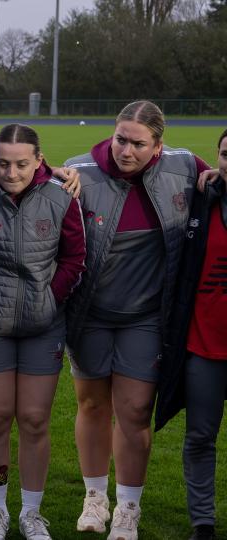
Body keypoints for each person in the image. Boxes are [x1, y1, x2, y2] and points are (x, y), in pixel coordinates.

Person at [65, 100, 208, 540]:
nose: (126, 150)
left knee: (135, 411)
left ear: (158, 146)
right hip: (89, 314)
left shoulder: (183, 168)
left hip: (146, 319)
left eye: (138, 144)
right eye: (120, 138)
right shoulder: (78, 171)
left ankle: (128, 508)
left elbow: (215, 186)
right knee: (91, 404)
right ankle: (95, 498)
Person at [0, 124, 86, 540]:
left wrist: (49, 300)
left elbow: (75, 257)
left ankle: (30, 513)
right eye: (3, 163)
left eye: (22, 164)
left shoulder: (62, 196)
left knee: (34, 418)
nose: (11, 172)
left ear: (39, 161)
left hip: (44, 327)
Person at [155, 129, 227, 540]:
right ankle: (203, 523)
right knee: (201, 436)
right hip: (203, 344)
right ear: (216, 157)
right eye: (225, 154)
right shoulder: (204, 198)